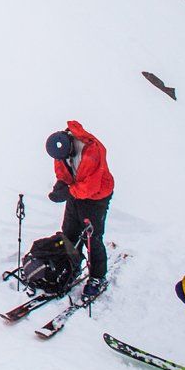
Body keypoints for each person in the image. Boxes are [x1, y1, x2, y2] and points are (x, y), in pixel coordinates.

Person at [45, 120, 113, 301]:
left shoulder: (91, 150)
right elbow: (61, 170)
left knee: (92, 237)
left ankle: (97, 277)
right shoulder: (60, 149)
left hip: (96, 197)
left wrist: (68, 191)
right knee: (69, 232)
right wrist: (61, 185)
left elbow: (90, 187)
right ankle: (71, 268)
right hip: (76, 193)